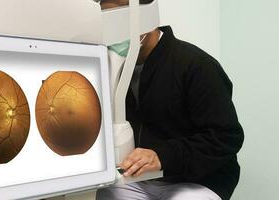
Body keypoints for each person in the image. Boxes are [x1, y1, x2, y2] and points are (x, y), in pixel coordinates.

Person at [97, 0, 244, 200]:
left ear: (145, 17)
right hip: (141, 180)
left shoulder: (197, 65)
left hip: (199, 180)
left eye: (120, 20)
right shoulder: (114, 69)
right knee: (103, 193)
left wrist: (162, 156)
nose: (114, 32)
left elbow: (226, 137)